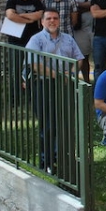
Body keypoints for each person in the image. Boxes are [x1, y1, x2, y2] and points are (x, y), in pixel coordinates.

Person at [26, 9, 84, 172]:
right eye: (49, 18)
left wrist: (70, 73)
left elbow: (79, 59)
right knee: (48, 124)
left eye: (55, 18)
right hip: (44, 85)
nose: (52, 21)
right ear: (42, 22)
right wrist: (58, 76)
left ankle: (64, 157)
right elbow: (35, 65)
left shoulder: (68, 38)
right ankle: (47, 161)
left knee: (65, 122)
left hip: (65, 85)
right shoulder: (36, 40)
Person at [5, 0, 44, 105]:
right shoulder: (12, 1)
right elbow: (10, 15)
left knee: (33, 69)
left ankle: (31, 96)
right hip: (15, 41)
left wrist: (19, 16)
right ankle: (15, 98)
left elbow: (39, 15)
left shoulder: (37, 2)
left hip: (32, 41)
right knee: (15, 70)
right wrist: (29, 19)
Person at [70, 0, 101, 83]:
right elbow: (74, 5)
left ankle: (98, 84)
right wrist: (91, 5)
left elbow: (97, 3)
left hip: (96, 27)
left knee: (98, 57)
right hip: (80, 27)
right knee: (83, 56)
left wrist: (83, 5)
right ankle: (87, 82)